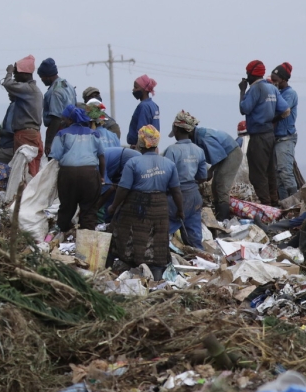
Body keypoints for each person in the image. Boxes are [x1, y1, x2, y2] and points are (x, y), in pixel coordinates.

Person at [107, 126, 183, 275]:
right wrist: (180, 210)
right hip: (160, 207)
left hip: (136, 206)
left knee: (127, 235)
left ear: (140, 143)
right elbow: (176, 191)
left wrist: (114, 206)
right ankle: (156, 275)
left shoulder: (133, 163)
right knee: (158, 239)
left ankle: (131, 266)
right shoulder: (168, 164)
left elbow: (123, 189)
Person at [239, 60, 290, 206]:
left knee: (257, 175)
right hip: (270, 135)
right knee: (270, 172)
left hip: (258, 136)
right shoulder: (272, 88)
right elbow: (286, 110)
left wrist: (242, 90)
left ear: (251, 74)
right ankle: (274, 202)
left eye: (247, 73)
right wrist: (272, 120)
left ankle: (266, 206)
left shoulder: (256, 89)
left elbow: (244, 109)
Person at [51, 104, 106, 232]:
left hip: (68, 174)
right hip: (90, 175)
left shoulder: (62, 134)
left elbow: (56, 156)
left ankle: (62, 237)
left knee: (66, 208)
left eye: (64, 119)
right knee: (89, 210)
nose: (63, 121)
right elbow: (101, 157)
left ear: (70, 120)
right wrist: (102, 176)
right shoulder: (94, 134)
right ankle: (87, 243)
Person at [164, 112, 209, 250]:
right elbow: (202, 177)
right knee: (194, 236)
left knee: (165, 231)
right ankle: (202, 263)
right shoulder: (199, 150)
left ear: (176, 129)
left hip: (176, 197)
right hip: (194, 196)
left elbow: (166, 177)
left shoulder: (171, 150)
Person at [189, 116, 244, 222]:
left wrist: (210, 171)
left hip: (231, 153)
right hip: (224, 155)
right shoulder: (195, 139)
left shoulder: (203, 136)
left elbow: (219, 156)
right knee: (215, 188)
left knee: (222, 187)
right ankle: (219, 218)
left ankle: (224, 220)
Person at [1, 56, 45, 175]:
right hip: (34, 134)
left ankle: (27, 193)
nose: (15, 76)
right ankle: (34, 193)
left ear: (25, 74)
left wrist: (9, 72)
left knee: (25, 170)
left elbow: (7, 84)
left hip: (25, 135)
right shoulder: (36, 91)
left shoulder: (28, 89)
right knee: (33, 169)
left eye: (16, 73)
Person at [270, 63, 299, 201]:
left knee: (285, 172)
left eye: (275, 79)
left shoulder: (290, 94)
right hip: (276, 138)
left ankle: (295, 203)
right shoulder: (278, 92)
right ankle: (284, 203)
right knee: (278, 175)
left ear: (283, 79)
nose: (274, 82)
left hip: (285, 138)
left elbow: (282, 110)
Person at [39, 58, 78, 156]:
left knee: (54, 164)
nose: (42, 80)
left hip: (58, 131)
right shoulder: (68, 85)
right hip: (71, 130)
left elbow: (56, 118)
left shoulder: (55, 92)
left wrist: (48, 143)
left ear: (48, 76)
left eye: (42, 77)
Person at [126, 75, 160, 149]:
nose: (133, 90)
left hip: (143, 147)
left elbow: (142, 130)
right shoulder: (154, 106)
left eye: (136, 87)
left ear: (144, 89)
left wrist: (138, 147)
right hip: (152, 146)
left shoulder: (143, 106)